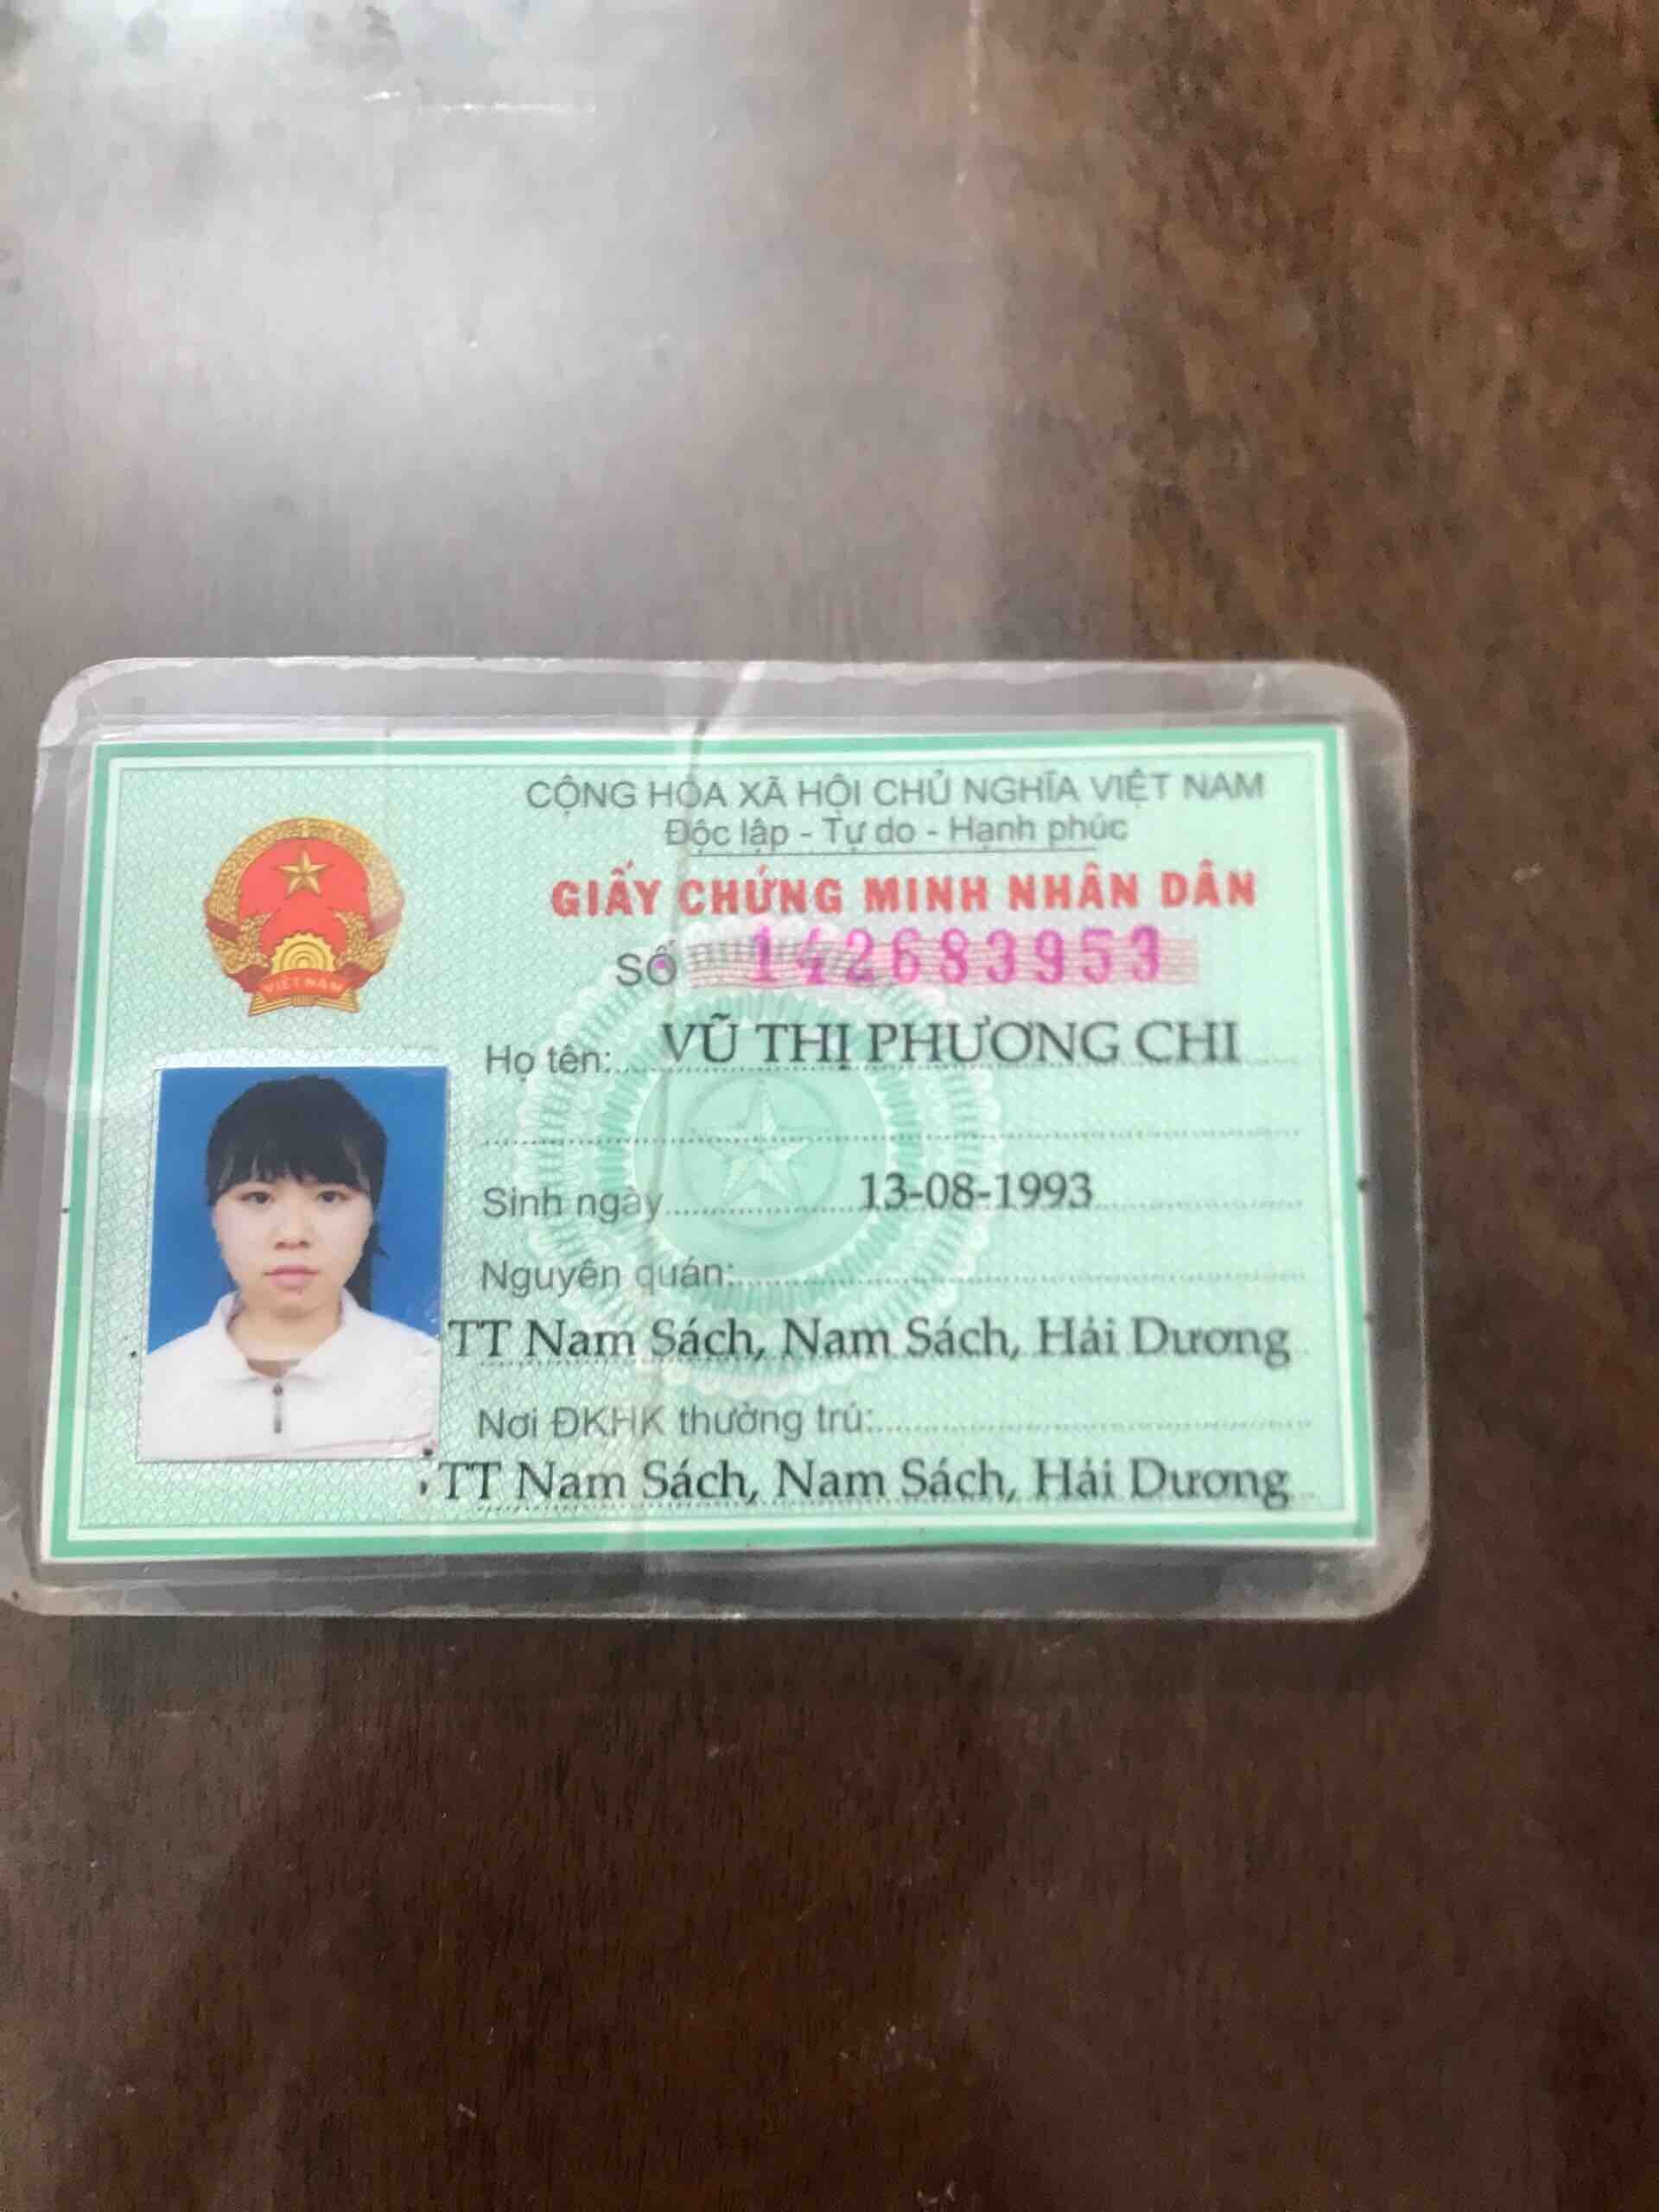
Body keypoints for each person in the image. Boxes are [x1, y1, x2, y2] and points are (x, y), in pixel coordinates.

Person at [140, 1075, 440, 1459]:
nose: (293, 1234)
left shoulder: (434, 1379)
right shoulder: (150, 1392)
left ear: (370, 1216)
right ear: (215, 1217)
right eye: (259, 1198)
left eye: (329, 1197)